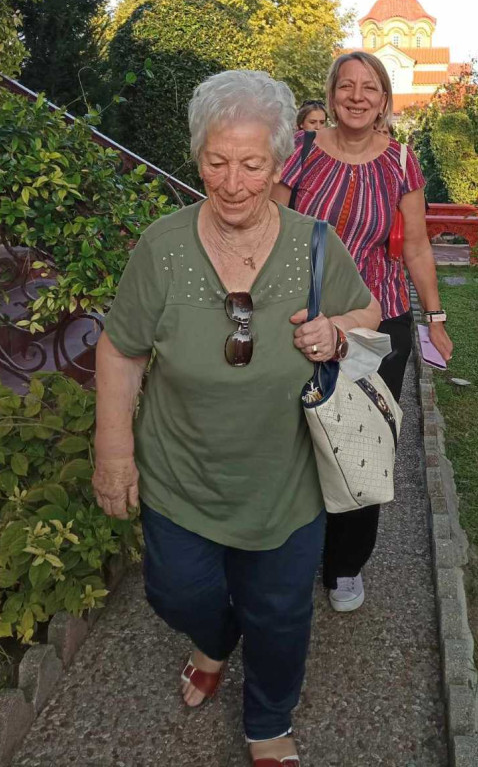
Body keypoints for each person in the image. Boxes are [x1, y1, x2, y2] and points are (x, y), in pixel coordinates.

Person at [93, 70, 381, 767]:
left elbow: (369, 312)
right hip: (180, 474)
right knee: (176, 594)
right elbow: (121, 349)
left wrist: (336, 332)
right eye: (216, 162)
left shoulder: (315, 243)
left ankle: (269, 722)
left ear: (279, 164)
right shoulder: (163, 247)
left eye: (252, 165)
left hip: (285, 480)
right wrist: (113, 450)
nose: (232, 183)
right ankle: (216, 639)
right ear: (198, 158)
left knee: (280, 614)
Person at [272, 51, 453, 614]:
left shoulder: (400, 161)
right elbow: (270, 230)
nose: (356, 96)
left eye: (369, 87)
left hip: (380, 324)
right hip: (302, 317)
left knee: (360, 439)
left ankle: (345, 563)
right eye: (346, 86)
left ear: (383, 100)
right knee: (293, 436)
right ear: (331, 95)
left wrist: (435, 318)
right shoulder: (301, 151)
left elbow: (416, 245)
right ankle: (288, 551)